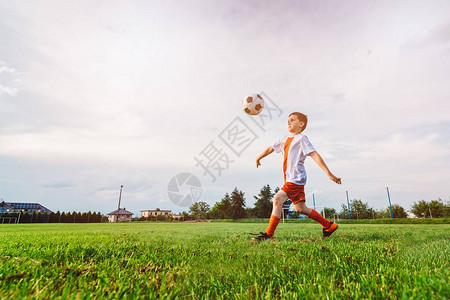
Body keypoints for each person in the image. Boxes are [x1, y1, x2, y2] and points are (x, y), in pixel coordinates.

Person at [253, 112, 341, 241]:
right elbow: (271, 148)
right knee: (300, 209)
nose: (289, 122)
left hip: (296, 178)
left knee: (277, 199)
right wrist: (259, 157)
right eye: (288, 120)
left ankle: (268, 234)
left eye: (292, 120)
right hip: (292, 179)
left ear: (301, 124)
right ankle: (329, 225)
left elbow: (314, 154)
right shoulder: (285, 139)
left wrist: (329, 173)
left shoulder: (302, 139)